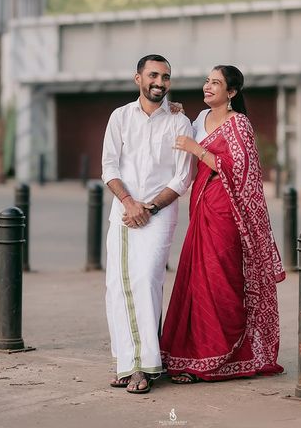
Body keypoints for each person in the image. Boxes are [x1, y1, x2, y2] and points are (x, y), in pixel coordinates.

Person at [160, 65, 285, 383]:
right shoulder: (199, 119)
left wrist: (197, 149)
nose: (208, 86)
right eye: (206, 81)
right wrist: (173, 110)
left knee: (221, 280)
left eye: (216, 83)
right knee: (196, 280)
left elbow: (241, 171)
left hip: (227, 213)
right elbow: (180, 135)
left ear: (231, 92)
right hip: (201, 208)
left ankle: (224, 354)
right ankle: (193, 355)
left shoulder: (239, 123)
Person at [101, 54, 193, 394]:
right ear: (137, 78)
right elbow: (109, 167)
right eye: (153, 74)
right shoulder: (120, 117)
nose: (160, 81)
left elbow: (182, 177)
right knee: (117, 286)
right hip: (124, 212)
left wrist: (150, 207)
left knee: (146, 280)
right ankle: (127, 362)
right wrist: (130, 203)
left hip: (159, 214)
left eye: (166, 76)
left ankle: (145, 365)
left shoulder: (179, 122)